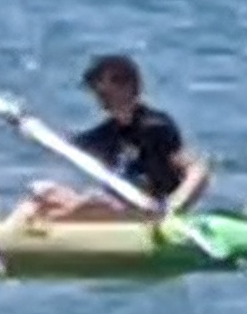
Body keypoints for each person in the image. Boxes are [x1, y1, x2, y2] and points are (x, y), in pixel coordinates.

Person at [31, 52, 211, 221]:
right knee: (43, 193)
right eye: (96, 91)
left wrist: (173, 208)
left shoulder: (155, 127)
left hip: (147, 213)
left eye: (104, 91)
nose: (99, 97)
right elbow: (67, 146)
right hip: (115, 207)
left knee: (97, 202)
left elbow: (198, 170)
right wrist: (33, 129)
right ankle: (24, 232)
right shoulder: (108, 132)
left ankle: (42, 229)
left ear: (129, 87)